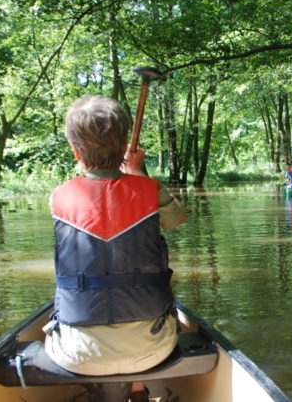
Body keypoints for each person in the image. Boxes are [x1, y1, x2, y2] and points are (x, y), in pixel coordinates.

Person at [44, 95, 186, 401]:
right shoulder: (150, 190)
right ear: (125, 147)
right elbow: (175, 219)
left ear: (75, 152)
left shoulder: (60, 197)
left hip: (77, 355)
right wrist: (137, 170)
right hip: (154, 349)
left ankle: (109, 392)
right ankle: (138, 390)